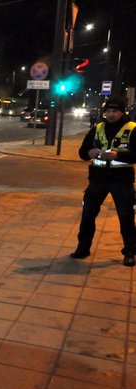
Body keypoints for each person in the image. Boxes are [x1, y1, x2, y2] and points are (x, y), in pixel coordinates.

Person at [70, 95, 136, 266]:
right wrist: (89, 153)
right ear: (104, 112)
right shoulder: (97, 128)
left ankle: (130, 252)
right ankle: (83, 248)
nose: (111, 114)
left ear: (122, 112)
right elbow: (82, 152)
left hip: (122, 181)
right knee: (88, 215)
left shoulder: (132, 128)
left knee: (126, 217)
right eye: (108, 111)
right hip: (98, 179)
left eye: (115, 111)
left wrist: (118, 155)